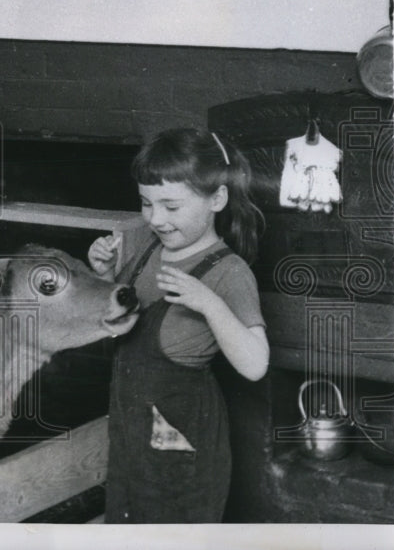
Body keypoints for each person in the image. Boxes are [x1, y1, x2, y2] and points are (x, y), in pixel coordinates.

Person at [88, 127, 269, 523]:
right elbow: (112, 330)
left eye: (171, 206)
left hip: (184, 450)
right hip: (130, 441)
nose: (156, 219)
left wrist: (209, 304)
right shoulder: (146, 250)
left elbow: (255, 365)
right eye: (146, 203)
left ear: (217, 199)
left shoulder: (229, 273)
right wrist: (104, 277)